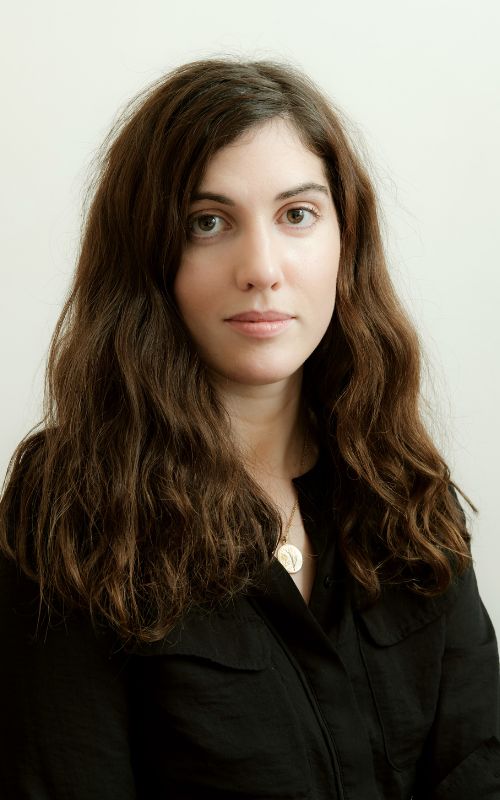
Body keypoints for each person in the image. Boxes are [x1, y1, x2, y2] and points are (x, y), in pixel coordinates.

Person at [0, 57, 499, 800]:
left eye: (297, 215)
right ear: (149, 257)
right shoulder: (73, 505)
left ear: (346, 241)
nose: (261, 268)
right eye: (208, 223)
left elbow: (479, 764)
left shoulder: (402, 483)